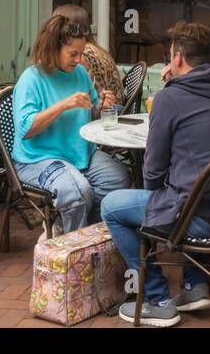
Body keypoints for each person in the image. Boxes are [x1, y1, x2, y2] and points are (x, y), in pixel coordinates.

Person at [103, 21, 210, 327]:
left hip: (201, 222)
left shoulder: (170, 98)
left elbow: (153, 172)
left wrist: (168, 92)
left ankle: (156, 299)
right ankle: (193, 286)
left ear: (178, 57)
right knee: (194, 189)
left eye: (170, 56)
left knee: (114, 206)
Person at [11, 15, 128, 234]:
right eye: (73, 54)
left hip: (80, 151)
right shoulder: (31, 79)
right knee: (76, 193)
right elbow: (26, 130)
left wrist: (102, 106)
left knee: (117, 178)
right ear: (52, 50)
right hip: (39, 157)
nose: (78, 59)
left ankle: (87, 236)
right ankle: (71, 248)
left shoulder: (80, 73)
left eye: (81, 53)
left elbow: (91, 111)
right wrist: (64, 105)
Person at [52, 4, 121, 100]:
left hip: (104, 109)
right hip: (112, 106)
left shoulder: (84, 54)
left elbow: (78, 95)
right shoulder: (94, 49)